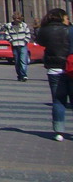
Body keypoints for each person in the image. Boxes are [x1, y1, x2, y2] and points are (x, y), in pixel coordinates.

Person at [35, 8, 71, 142]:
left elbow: (40, 42)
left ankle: (59, 131)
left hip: (53, 69)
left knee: (58, 101)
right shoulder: (69, 30)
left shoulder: (44, 30)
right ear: (62, 17)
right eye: (67, 18)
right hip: (69, 68)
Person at [4, 13, 32, 81]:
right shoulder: (9, 26)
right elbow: (7, 35)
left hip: (23, 45)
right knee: (17, 61)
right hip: (15, 45)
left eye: (19, 19)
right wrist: (11, 41)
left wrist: (25, 41)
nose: (17, 20)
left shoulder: (24, 25)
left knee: (23, 61)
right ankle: (19, 75)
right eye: (16, 19)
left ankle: (24, 75)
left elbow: (28, 34)